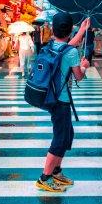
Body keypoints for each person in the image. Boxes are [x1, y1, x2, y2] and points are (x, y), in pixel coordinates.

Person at [36, 13, 90, 193]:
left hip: (52, 98)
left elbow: (68, 46)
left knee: (67, 135)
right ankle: (44, 178)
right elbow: (79, 76)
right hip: (61, 101)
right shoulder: (72, 52)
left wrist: (82, 30)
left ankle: (56, 172)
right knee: (60, 139)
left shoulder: (52, 46)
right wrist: (84, 66)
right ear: (69, 30)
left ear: (53, 30)